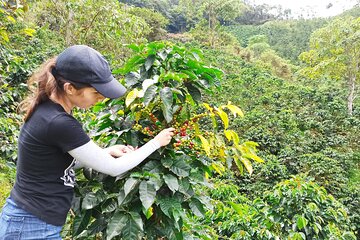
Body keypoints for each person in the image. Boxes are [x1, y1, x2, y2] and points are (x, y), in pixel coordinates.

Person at [0, 45, 175, 239]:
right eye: (96, 93)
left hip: (32, 221)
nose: (100, 99)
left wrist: (104, 152)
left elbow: (54, 163)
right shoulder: (58, 122)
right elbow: (114, 168)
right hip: (31, 226)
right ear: (70, 88)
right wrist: (155, 143)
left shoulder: (49, 111)